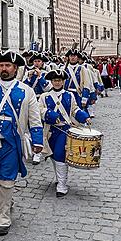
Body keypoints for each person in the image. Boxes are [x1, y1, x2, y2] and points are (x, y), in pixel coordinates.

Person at [0, 50, 43, 236]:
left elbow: (34, 118)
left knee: (7, 178)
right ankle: (7, 200)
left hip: (12, 142)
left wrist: (37, 141)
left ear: (15, 68)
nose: (4, 68)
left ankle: (3, 217)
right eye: (1, 65)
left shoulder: (26, 91)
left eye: (8, 65)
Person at [39, 69, 89, 197]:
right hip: (50, 131)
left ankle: (62, 185)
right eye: (55, 80)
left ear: (63, 82)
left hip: (64, 130)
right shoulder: (45, 96)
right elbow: (40, 110)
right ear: (51, 81)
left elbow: (74, 109)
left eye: (59, 80)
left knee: (61, 155)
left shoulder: (69, 95)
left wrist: (84, 117)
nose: (57, 83)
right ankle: (58, 178)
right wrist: (51, 115)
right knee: (53, 155)